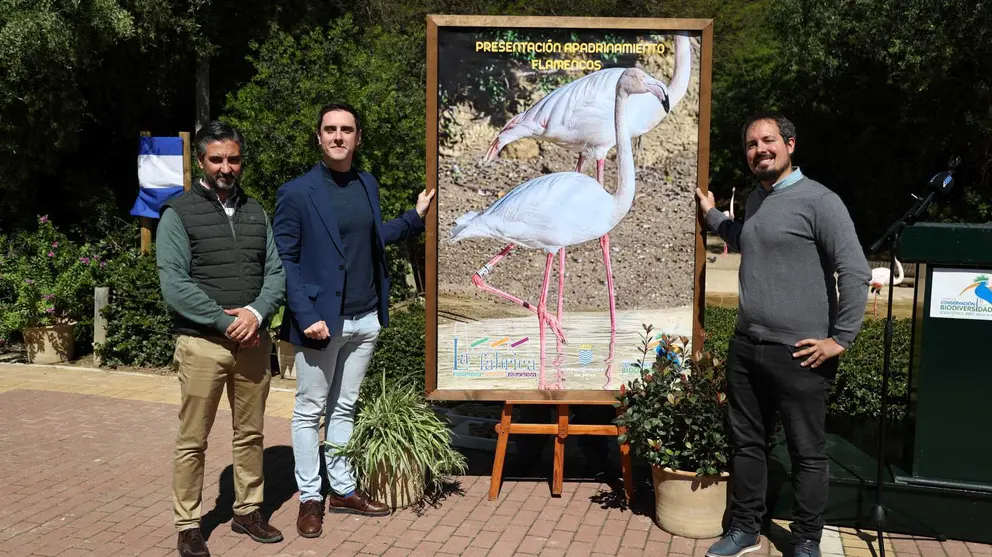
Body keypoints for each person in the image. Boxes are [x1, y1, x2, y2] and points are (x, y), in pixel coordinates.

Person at [696, 112, 870, 557]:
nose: (760, 150)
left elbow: (854, 270)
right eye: (752, 144)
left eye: (768, 141)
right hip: (746, 348)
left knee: (807, 454)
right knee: (747, 444)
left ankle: (806, 540)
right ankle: (745, 529)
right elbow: (745, 235)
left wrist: (841, 339)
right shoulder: (757, 200)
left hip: (801, 355)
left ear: (790, 145)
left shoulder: (821, 201)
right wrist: (713, 215)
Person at [272, 102, 434, 538]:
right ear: (319, 137)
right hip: (321, 324)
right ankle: (310, 497)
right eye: (330, 129)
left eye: (346, 130)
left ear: (358, 137)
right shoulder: (297, 192)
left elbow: (370, 238)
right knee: (309, 411)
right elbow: (284, 259)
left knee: (344, 407)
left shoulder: (367, 183)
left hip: (365, 320)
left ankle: (341, 489)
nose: (338, 136)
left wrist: (414, 219)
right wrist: (306, 315)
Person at [157, 121, 287, 557]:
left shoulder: (256, 212)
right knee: (193, 439)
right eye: (217, 159)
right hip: (202, 344)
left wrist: (254, 313)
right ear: (201, 163)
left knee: (250, 434)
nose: (225, 167)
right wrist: (223, 320)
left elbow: (275, 272)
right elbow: (174, 283)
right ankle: (189, 524)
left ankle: (247, 510)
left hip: (252, 343)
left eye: (233, 159)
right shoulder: (178, 213)